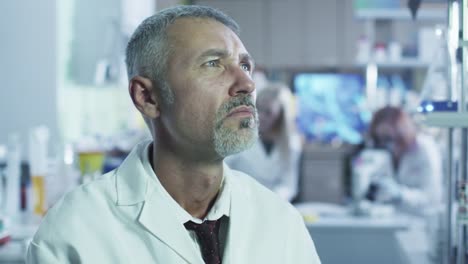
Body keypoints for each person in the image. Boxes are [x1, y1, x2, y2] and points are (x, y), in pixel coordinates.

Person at [26, 5, 320, 264]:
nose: (247, 83)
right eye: (213, 64)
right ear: (148, 98)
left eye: (245, 65)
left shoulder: (281, 222)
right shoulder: (75, 232)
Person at [226, 82, 302, 201]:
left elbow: (288, 185)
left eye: (268, 112)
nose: (260, 116)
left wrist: (271, 200)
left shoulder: (292, 144)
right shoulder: (237, 135)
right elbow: (221, 171)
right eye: (258, 109)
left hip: (273, 204)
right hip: (239, 200)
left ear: (281, 117)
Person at [366, 106, 443, 216]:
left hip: (422, 220)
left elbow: (432, 198)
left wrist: (400, 194)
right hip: (394, 220)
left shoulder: (424, 148)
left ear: (402, 132)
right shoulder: (383, 154)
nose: (387, 145)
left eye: (389, 138)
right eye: (380, 139)